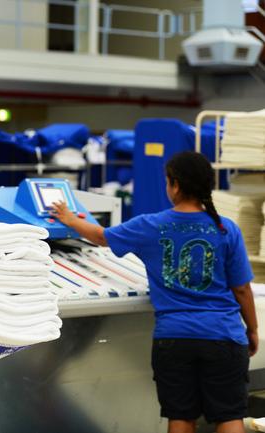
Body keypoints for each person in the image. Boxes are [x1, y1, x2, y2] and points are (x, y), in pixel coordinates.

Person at [51, 151, 257, 433]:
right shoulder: (226, 229)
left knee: (181, 418)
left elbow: (100, 237)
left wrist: (69, 218)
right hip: (223, 336)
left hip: (173, 338)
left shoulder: (150, 225)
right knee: (229, 416)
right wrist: (253, 331)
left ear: (174, 185)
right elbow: (242, 289)